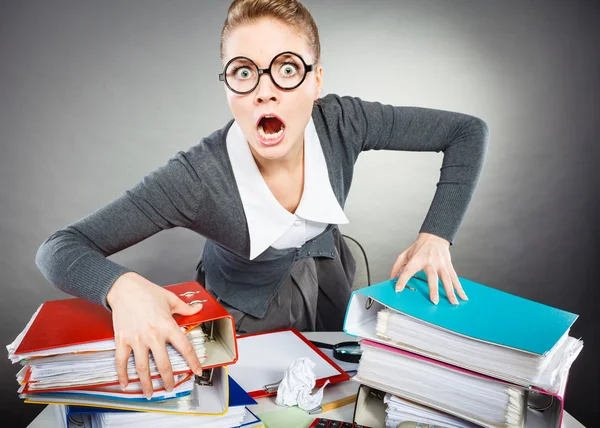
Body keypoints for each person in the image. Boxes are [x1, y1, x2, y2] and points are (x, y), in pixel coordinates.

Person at [35, 0, 489, 399]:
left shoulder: (343, 122)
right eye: (244, 72)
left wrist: (436, 237)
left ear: (316, 80)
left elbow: (466, 131)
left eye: (287, 68)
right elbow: (59, 248)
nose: (264, 90)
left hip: (330, 284)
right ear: (228, 87)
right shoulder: (196, 176)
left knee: (335, 395)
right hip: (242, 320)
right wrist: (123, 288)